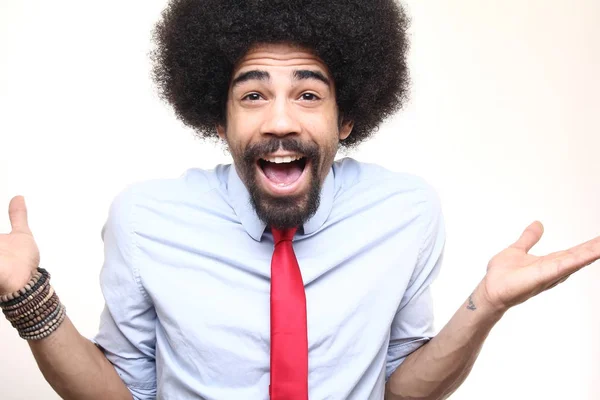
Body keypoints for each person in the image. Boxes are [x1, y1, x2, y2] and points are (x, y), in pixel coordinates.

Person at [1, 0, 598, 399]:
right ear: (219, 119)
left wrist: (486, 303)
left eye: (309, 95)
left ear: (347, 120)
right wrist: (26, 296)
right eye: (253, 95)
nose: (280, 121)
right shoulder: (144, 220)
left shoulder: (406, 213)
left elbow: (402, 388)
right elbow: (121, 391)